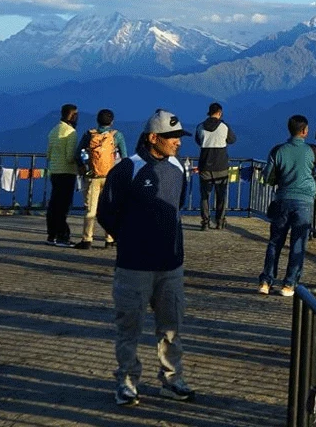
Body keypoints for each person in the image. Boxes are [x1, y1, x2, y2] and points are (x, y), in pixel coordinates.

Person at [96, 109, 194, 407]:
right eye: (172, 137)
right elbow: (106, 213)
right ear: (154, 138)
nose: (178, 142)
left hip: (170, 265)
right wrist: (130, 239)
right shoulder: (128, 168)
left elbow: (175, 206)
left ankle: (172, 379)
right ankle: (126, 381)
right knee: (129, 328)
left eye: (179, 137)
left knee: (171, 328)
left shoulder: (178, 167)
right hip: (134, 266)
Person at [258, 115, 316, 297]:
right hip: (304, 203)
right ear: (305, 131)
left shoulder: (277, 150)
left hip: (282, 200)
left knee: (275, 242)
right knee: (298, 244)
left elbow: (267, 176)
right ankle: (289, 284)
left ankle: (266, 281)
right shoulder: (313, 150)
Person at [74, 108, 127, 250]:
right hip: (110, 177)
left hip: (93, 176)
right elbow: (125, 158)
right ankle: (109, 239)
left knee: (90, 210)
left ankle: (87, 239)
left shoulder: (89, 135)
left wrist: (83, 167)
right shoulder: (117, 136)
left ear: (97, 120)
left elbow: (77, 154)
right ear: (112, 122)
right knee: (110, 208)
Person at [195, 102, 237, 231]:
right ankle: (220, 221)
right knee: (221, 196)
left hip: (205, 166)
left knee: (205, 196)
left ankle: (205, 222)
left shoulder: (200, 126)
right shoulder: (224, 126)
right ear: (220, 113)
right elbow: (232, 140)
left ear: (209, 112)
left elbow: (198, 141)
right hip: (221, 166)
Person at [46, 103, 79, 246]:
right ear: (72, 115)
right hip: (67, 172)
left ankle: (51, 235)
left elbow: (48, 154)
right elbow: (69, 157)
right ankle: (62, 236)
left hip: (54, 171)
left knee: (54, 204)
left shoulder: (54, 130)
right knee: (63, 206)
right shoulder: (71, 132)